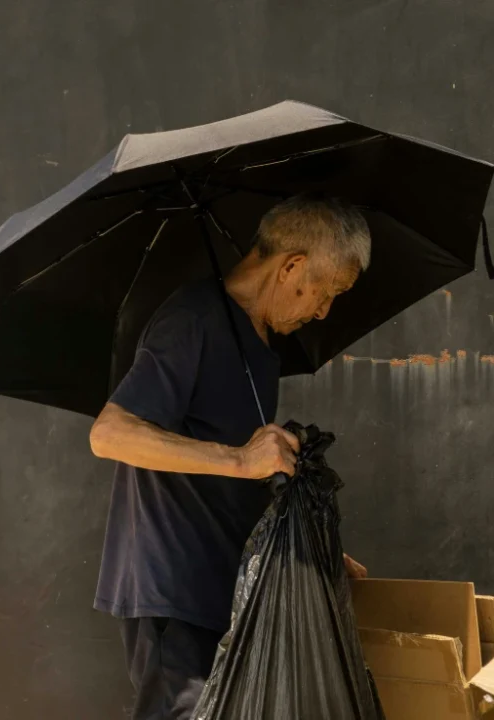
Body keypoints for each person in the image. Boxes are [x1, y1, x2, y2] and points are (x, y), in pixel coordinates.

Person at [87, 195, 373, 720]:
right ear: (291, 267)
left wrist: (312, 549)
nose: (323, 311)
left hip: (225, 586)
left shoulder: (259, 345)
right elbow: (110, 434)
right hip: (173, 588)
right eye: (327, 292)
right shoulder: (192, 319)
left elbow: (242, 472)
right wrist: (241, 459)